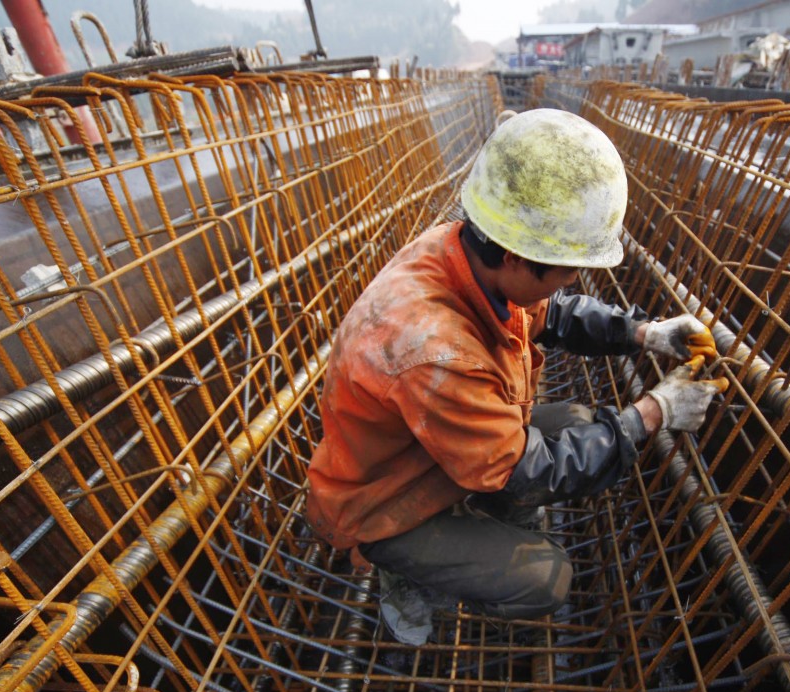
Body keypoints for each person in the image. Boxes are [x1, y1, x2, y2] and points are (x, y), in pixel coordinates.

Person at [305, 109, 728, 644]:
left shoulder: (465, 255)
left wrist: (644, 333)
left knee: (575, 418)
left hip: (436, 453)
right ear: (513, 256)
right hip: (383, 501)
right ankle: (399, 563)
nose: (575, 278)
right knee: (546, 579)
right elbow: (527, 470)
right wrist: (654, 413)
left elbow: (550, 312)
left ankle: (465, 529)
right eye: (565, 266)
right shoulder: (436, 350)